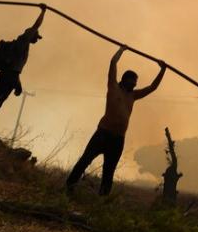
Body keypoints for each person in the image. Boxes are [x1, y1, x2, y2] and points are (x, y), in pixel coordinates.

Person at [66, 46, 167, 196]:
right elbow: (113, 62)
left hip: (118, 139)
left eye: (136, 82)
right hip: (103, 133)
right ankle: (69, 187)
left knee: (109, 171)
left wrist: (162, 70)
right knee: (85, 160)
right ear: (125, 80)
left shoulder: (133, 95)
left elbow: (152, 87)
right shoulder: (113, 87)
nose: (135, 84)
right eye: (132, 81)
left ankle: (102, 199)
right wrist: (122, 50)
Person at [0, 5, 46, 135]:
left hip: (8, 75)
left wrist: (18, 85)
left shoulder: (22, 44)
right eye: (37, 36)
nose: (37, 39)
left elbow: (16, 70)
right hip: (9, 76)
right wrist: (43, 12)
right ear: (31, 35)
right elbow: (36, 25)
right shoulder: (24, 40)